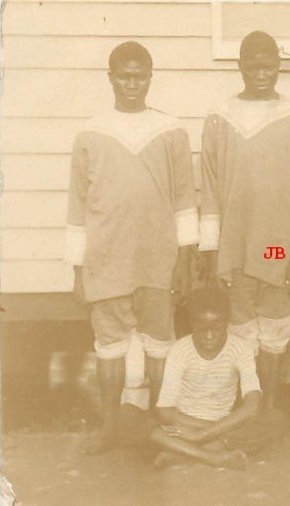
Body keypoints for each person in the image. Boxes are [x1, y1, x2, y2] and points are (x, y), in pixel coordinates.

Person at [65, 41, 198, 454]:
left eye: (139, 75)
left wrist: (185, 260)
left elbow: (184, 199)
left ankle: (159, 427)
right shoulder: (91, 132)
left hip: (158, 258)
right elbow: (77, 205)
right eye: (124, 75)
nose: (131, 84)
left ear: (150, 78)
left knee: (160, 344)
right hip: (105, 259)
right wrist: (78, 268)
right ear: (110, 78)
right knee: (110, 347)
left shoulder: (171, 130)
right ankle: (109, 427)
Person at [199, 31, 290, 410]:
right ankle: (244, 408)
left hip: (279, 247)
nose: (261, 74)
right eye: (253, 66)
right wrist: (211, 252)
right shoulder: (220, 117)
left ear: (279, 67)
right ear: (240, 66)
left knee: (274, 332)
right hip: (235, 248)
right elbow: (210, 190)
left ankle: (269, 408)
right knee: (240, 332)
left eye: (268, 66)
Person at [116, 288, 286, 470]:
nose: (210, 336)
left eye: (217, 328)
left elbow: (253, 405)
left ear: (227, 323)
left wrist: (204, 433)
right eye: (203, 329)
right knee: (125, 414)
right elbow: (165, 412)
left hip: (217, 427)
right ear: (191, 324)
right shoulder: (180, 350)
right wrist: (202, 431)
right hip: (182, 426)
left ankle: (180, 454)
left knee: (276, 418)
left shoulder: (240, 349)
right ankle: (212, 457)